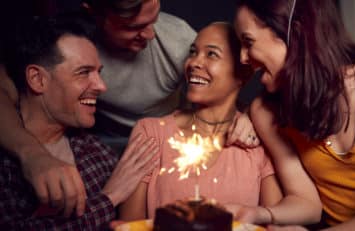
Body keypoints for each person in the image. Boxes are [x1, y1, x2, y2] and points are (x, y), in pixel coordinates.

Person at [0, 0, 259, 219]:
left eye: (153, 20)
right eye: (134, 26)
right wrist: (32, 154)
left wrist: (249, 114)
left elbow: (231, 78)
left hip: (152, 148)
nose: (150, 34)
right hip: (106, 142)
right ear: (95, 14)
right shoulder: (71, 37)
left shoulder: (179, 42)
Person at [227, 0, 355, 230]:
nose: (243, 59)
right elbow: (306, 201)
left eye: (248, 42)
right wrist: (258, 214)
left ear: (295, 34)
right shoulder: (265, 112)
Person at [0, 16, 158, 230]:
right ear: (37, 79)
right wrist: (109, 198)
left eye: (98, 73)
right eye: (83, 72)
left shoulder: (97, 153)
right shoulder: (7, 164)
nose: (102, 86)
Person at [118, 22, 282, 221]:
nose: (194, 62)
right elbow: (129, 225)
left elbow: (275, 224)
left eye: (212, 54)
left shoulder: (258, 139)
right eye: (193, 52)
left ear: (243, 74)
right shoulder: (151, 132)